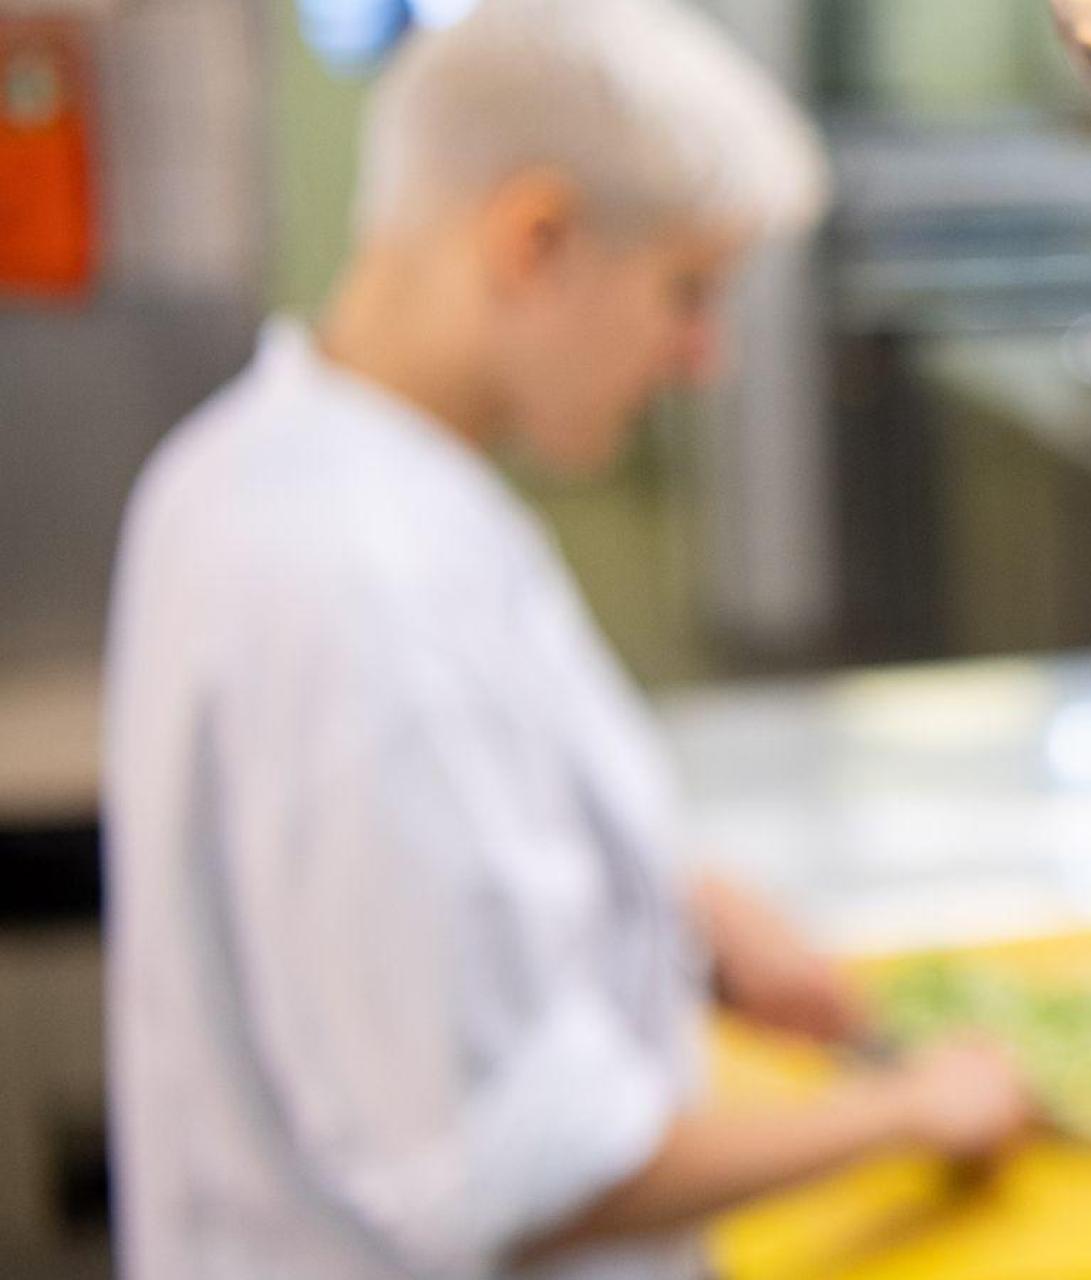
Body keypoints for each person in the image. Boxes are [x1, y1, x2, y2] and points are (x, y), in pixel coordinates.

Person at [102, 2, 1036, 1277]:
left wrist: (682, 907)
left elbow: (430, 868)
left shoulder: (257, 462)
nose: (701, 358)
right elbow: (519, 1172)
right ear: (533, 240)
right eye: (687, 292)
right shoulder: (362, 590)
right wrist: (910, 1108)